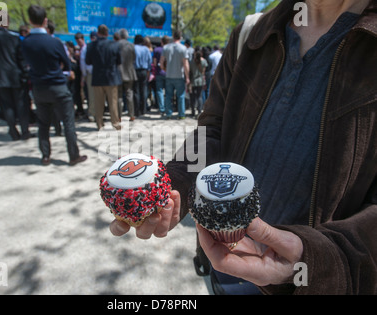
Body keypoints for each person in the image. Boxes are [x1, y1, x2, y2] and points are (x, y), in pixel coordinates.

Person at [110, 0, 377, 295]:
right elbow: (213, 127)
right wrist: (175, 183)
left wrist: (316, 259)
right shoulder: (252, 33)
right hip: (221, 256)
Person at [21, 5, 87, 166]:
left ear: (29, 21)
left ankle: (45, 156)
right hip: (58, 86)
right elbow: (66, 63)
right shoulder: (54, 42)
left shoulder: (25, 43)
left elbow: (23, 65)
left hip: (39, 88)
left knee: (43, 124)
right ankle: (73, 155)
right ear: (45, 21)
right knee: (68, 122)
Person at [0, 13, 33, 141]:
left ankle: (13, 132)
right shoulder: (13, 38)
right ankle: (25, 131)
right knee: (21, 105)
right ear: (7, 22)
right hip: (15, 76)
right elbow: (21, 59)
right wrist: (25, 75)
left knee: (7, 106)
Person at [85, 24, 122, 131]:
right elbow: (119, 61)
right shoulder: (114, 45)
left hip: (97, 78)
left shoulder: (91, 46)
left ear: (98, 33)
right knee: (113, 102)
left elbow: (88, 61)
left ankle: (99, 123)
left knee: (98, 103)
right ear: (107, 33)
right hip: (111, 77)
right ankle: (115, 123)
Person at [160, 30, 190, 119]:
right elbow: (186, 64)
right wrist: (187, 76)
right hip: (179, 76)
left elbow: (161, 62)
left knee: (168, 95)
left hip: (169, 75)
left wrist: (165, 69)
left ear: (173, 37)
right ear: (180, 37)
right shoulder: (183, 48)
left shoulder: (166, 47)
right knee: (180, 96)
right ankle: (181, 114)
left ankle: (168, 113)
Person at [117, 29, 137, 122]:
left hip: (119, 73)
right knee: (129, 94)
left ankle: (119, 116)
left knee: (119, 95)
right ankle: (132, 115)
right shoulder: (131, 46)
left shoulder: (116, 45)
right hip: (129, 73)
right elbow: (134, 58)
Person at [79, 31, 97, 122]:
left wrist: (84, 75)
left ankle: (93, 113)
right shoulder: (92, 47)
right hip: (96, 73)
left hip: (90, 74)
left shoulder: (86, 48)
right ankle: (95, 113)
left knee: (92, 95)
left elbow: (83, 63)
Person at [133, 34, 152, 117]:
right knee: (144, 90)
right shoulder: (146, 49)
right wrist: (148, 72)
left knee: (136, 91)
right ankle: (143, 109)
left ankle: (136, 110)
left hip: (135, 70)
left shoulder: (133, 48)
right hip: (144, 71)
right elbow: (149, 61)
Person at [152, 36, 169, 115]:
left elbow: (155, 63)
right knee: (168, 92)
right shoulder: (170, 49)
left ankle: (161, 109)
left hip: (159, 72)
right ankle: (167, 107)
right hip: (168, 73)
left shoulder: (156, 50)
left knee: (159, 91)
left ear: (161, 42)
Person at [189, 49, 207, 118]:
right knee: (199, 96)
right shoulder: (204, 61)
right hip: (200, 81)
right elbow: (203, 72)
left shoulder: (191, 62)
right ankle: (199, 111)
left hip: (193, 81)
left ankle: (193, 112)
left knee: (192, 97)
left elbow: (190, 71)